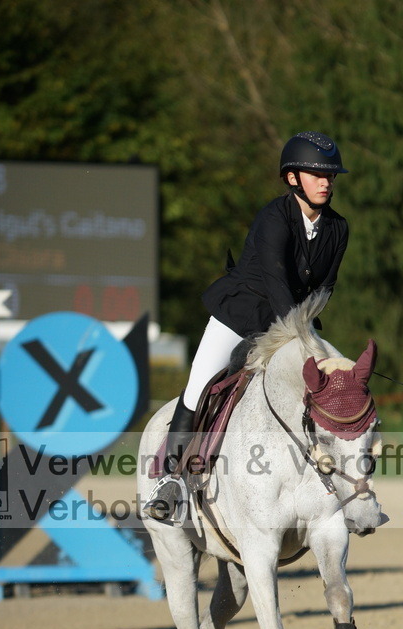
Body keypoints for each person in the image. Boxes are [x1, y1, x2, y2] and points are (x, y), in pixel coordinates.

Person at [145, 130, 350, 524]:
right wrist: (301, 338)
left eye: (330, 176)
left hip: (294, 320)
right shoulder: (274, 217)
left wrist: (314, 342)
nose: (326, 182)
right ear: (293, 179)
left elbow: (326, 286)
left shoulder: (338, 228)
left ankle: (347, 482)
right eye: (315, 174)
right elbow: (275, 282)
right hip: (240, 316)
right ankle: (170, 480)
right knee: (200, 384)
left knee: (333, 379)